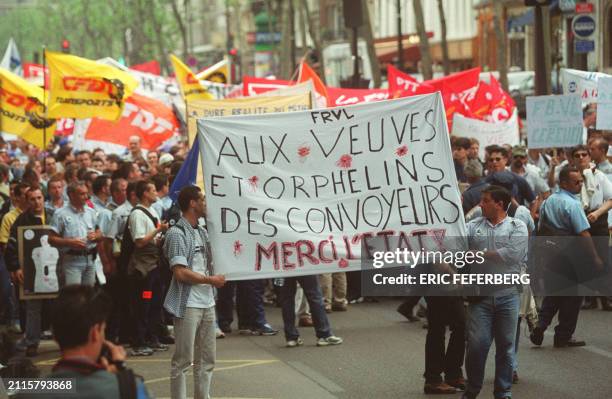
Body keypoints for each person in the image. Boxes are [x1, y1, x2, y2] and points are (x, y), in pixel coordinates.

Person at [463, 185, 528, 399]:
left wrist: (479, 254)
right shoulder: (472, 227)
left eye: (485, 200)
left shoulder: (517, 226)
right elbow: (459, 251)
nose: (481, 204)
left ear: (499, 204)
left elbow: (512, 255)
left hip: (508, 295)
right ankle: (472, 390)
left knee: (506, 347)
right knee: (476, 346)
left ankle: (503, 393)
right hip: (480, 296)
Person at [531, 166, 604, 347]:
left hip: (551, 253)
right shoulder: (573, 204)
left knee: (554, 292)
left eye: (581, 181)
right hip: (572, 255)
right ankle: (563, 335)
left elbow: (541, 226)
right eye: (576, 182)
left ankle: (540, 325)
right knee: (572, 297)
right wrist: (595, 257)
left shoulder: (549, 201)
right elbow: (584, 233)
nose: (580, 185)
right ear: (564, 183)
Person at [163, 185, 226, 399]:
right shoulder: (176, 233)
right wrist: (211, 280)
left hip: (208, 302)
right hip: (188, 303)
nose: (205, 204)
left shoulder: (202, 231)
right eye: (203, 199)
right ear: (192, 203)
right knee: (182, 360)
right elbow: (180, 273)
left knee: (207, 360)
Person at [43, 285, 151, 398]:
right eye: (103, 330)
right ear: (95, 333)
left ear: (54, 335)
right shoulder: (130, 389)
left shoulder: (27, 389)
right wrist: (122, 374)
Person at [5, 187, 54, 357]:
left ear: (43, 198)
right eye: (32, 199)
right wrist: (15, 267)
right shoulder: (21, 220)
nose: (37, 202)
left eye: (39, 198)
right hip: (33, 271)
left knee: (60, 306)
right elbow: (11, 246)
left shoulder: (54, 215)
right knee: (33, 308)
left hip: (56, 270)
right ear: (27, 201)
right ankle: (32, 342)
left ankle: (65, 341)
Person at [127, 180, 169, 354]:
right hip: (143, 268)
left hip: (154, 265)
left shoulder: (152, 211)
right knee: (143, 302)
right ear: (144, 193)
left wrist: (160, 236)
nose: (156, 192)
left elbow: (152, 239)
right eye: (153, 189)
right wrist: (158, 230)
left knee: (154, 303)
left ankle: (153, 338)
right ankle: (139, 341)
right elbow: (139, 241)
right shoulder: (137, 214)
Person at [48, 181, 101, 286]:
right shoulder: (60, 214)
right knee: (74, 298)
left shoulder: (91, 212)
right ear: (71, 195)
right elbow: (51, 239)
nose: (86, 197)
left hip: (90, 260)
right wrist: (68, 242)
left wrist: (96, 236)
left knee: (90, 296)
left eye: (87, 193)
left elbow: (100, 232)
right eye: (82, 194)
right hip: (71, 261)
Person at [276, 275, 343, 347]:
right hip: (303, 266)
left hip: (282, 268)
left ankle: (291, 337)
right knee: (314, 295)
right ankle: (324, 334)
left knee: (287, 299)